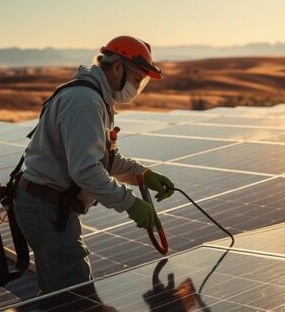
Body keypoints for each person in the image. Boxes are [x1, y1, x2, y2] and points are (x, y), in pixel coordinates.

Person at [13, 35, 176, 295]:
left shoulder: (94, 97)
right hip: (47, 207)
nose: (137, 88)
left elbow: (102, 159)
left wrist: (141, 174)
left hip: (50, 205)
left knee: (63, 293)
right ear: (117, 67)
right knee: (74, 296)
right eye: (137, 79)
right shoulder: (85, 102)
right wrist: (130, 203)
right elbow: (86, 169)